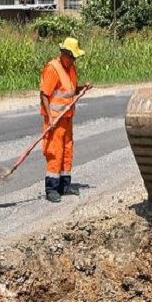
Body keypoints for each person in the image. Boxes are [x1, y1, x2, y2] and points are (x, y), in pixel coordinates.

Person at [39, 37, 91, 203]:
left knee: (67, 150)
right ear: (64, 54)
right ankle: (51, 188)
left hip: (67, 117)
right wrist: (50, 118)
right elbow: (44, 95)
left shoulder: (70, 68)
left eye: (75, 57)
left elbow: (70, 90)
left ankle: (64, 185)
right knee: (55, 152)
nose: (74, 60)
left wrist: (82, 88)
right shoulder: (52, 69)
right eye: (72, 57)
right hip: (55, 120)